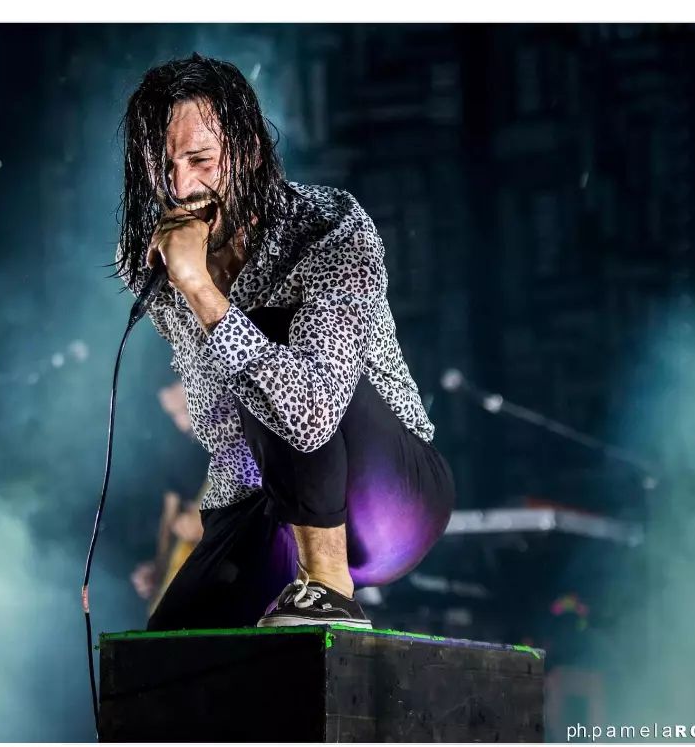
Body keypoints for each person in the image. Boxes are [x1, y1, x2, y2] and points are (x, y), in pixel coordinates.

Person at [114, 53, 455, 630]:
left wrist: (201, 288)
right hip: (270, 503)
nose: (181, 187)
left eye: (200, 160)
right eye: (163, 168)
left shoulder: (329, 228)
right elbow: (226, 424)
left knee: (267, 328)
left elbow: (311, 413)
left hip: (389, 499)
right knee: (171, 647)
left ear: (248, 151)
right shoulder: (155, 265)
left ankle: (329, 587)